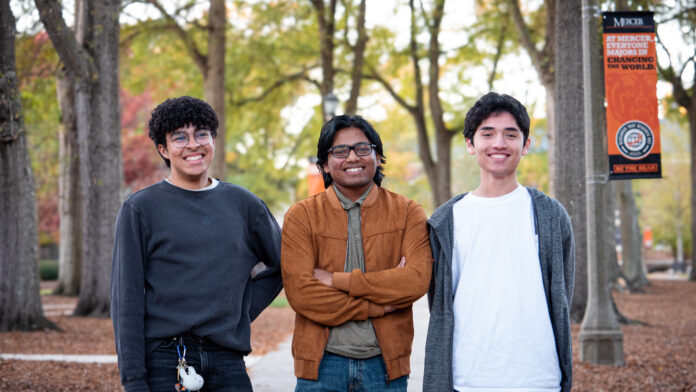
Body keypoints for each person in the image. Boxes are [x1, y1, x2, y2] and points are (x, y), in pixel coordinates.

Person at [111, 96, 282, 392]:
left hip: (228, 360)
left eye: (201, 133)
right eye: (180, 137)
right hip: (165, 361)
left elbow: (283, 265)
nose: (193, 144)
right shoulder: (140, 209)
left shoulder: (244, 205)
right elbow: (126, 301)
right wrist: (135, 381)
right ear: (163, 149)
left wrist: (240, 312)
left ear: (213, 139)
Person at [423, 92, 575, 392]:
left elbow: (562, 292)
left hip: (539, 378)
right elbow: (438, 302)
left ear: (526, 144)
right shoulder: (446, 220)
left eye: (510, 134)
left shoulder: (550, 215)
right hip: (467, 379)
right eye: (487, 134)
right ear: (470, 144)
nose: (499, 144)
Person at [281, 115, 433, 392]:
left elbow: (415, 281)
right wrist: (377, 305)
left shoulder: (408, 212)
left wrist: (335, 280)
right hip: (321, 367)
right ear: (325, 164)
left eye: (363, 148)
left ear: (377, 156)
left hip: (385, 368)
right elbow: (301, 293)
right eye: (340, 151)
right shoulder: (301, 216)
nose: (353, 157)